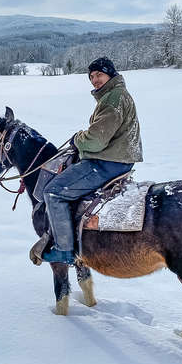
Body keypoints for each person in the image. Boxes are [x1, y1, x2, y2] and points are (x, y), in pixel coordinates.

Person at [42, 57, 144, 264]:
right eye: (91, 76)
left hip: (107, 161)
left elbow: (96, 141)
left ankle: (64, 250)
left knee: (52, 193)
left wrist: (78, 139)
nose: (95, 80)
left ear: (110, 74)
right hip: (119, 158)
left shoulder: (113, 99)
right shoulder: (115, 95)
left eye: (99, 74)